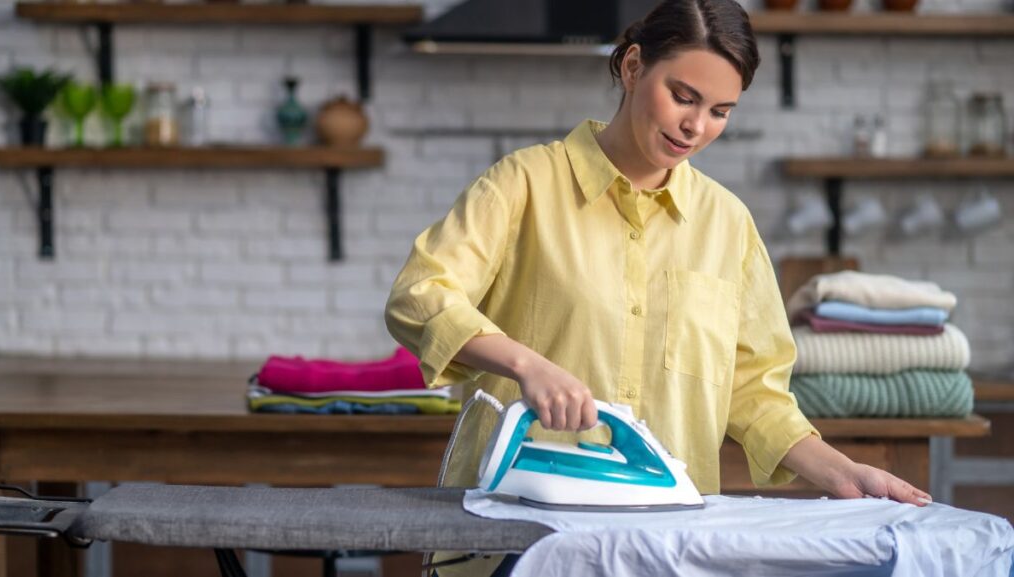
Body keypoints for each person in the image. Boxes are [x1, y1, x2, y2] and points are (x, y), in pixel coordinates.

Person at [385, 0, 931, 574]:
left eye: (721, 110)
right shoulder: (523, 186)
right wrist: (527, 365)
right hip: (517, 542)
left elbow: (755, 394)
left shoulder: (728, 226)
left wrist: (842, 471)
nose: (697, 127)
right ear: (632, 67)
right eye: (684, 97)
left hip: (670, 549)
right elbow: (421, 293)